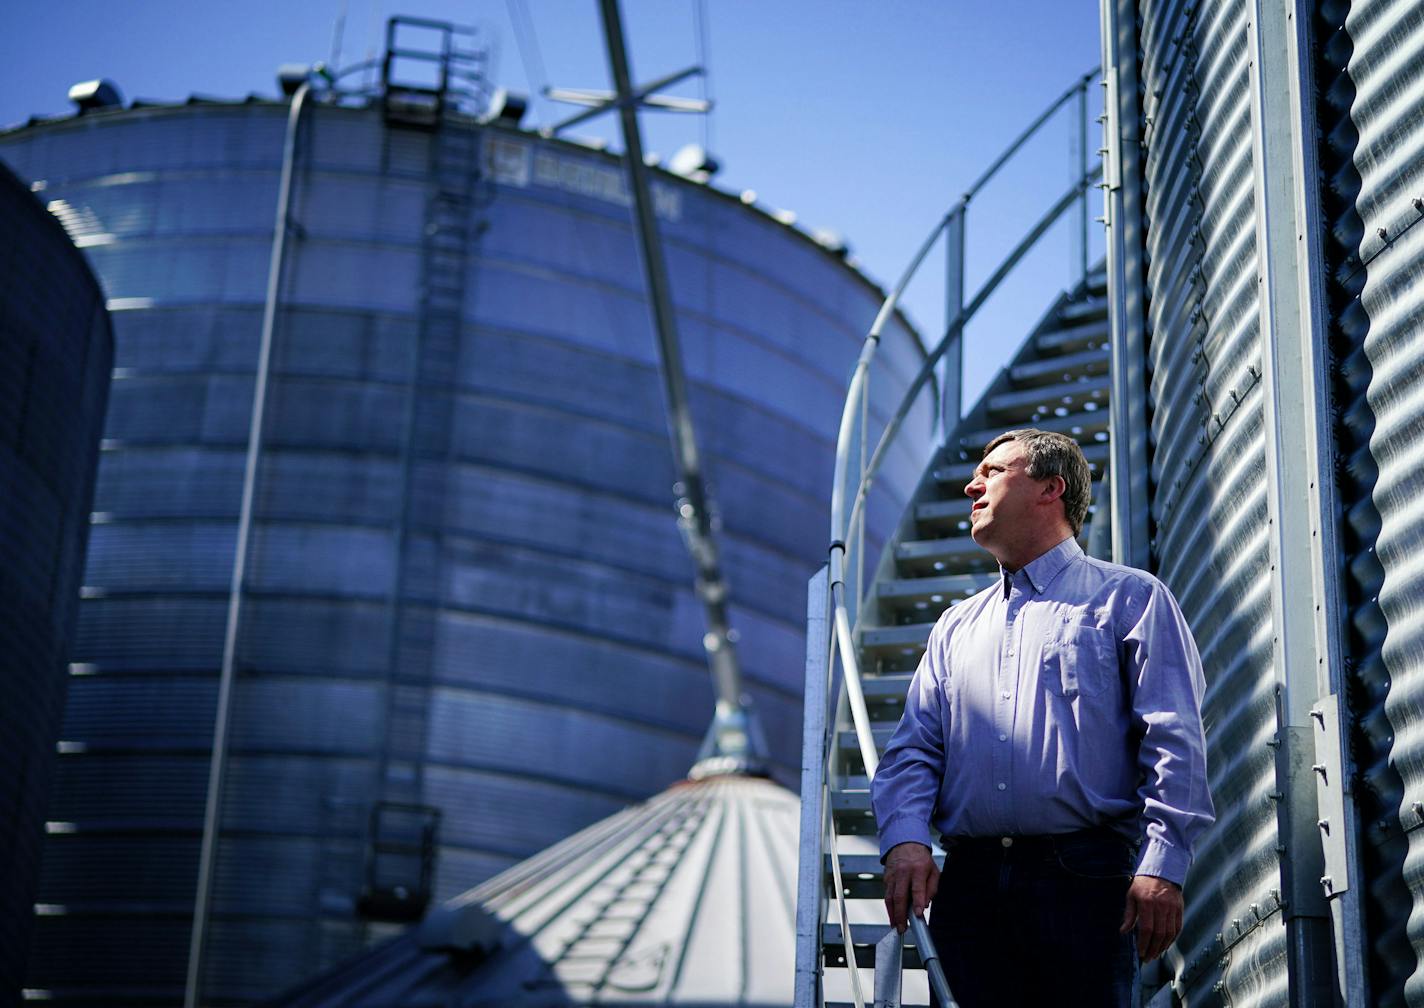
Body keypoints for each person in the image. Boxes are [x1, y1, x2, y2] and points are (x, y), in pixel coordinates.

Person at [871, 428, 1213, 1007]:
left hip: (1084, 880)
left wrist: (1164, 863)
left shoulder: (1129, 598)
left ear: (1050, 489)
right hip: (970, 885)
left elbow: (1173, 738)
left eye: (993, 471)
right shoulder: (955, 625)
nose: (969, 484)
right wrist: (905, 841)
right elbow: (915, 748)